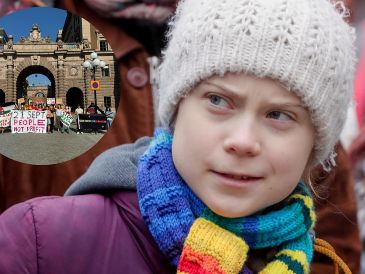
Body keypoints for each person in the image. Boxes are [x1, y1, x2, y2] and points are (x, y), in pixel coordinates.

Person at [0, 0, 357, 273]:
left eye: (277, 114)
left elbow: (330, 224)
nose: (244, 140)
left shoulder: (292, 32)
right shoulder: (36, 37)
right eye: (217, 100)